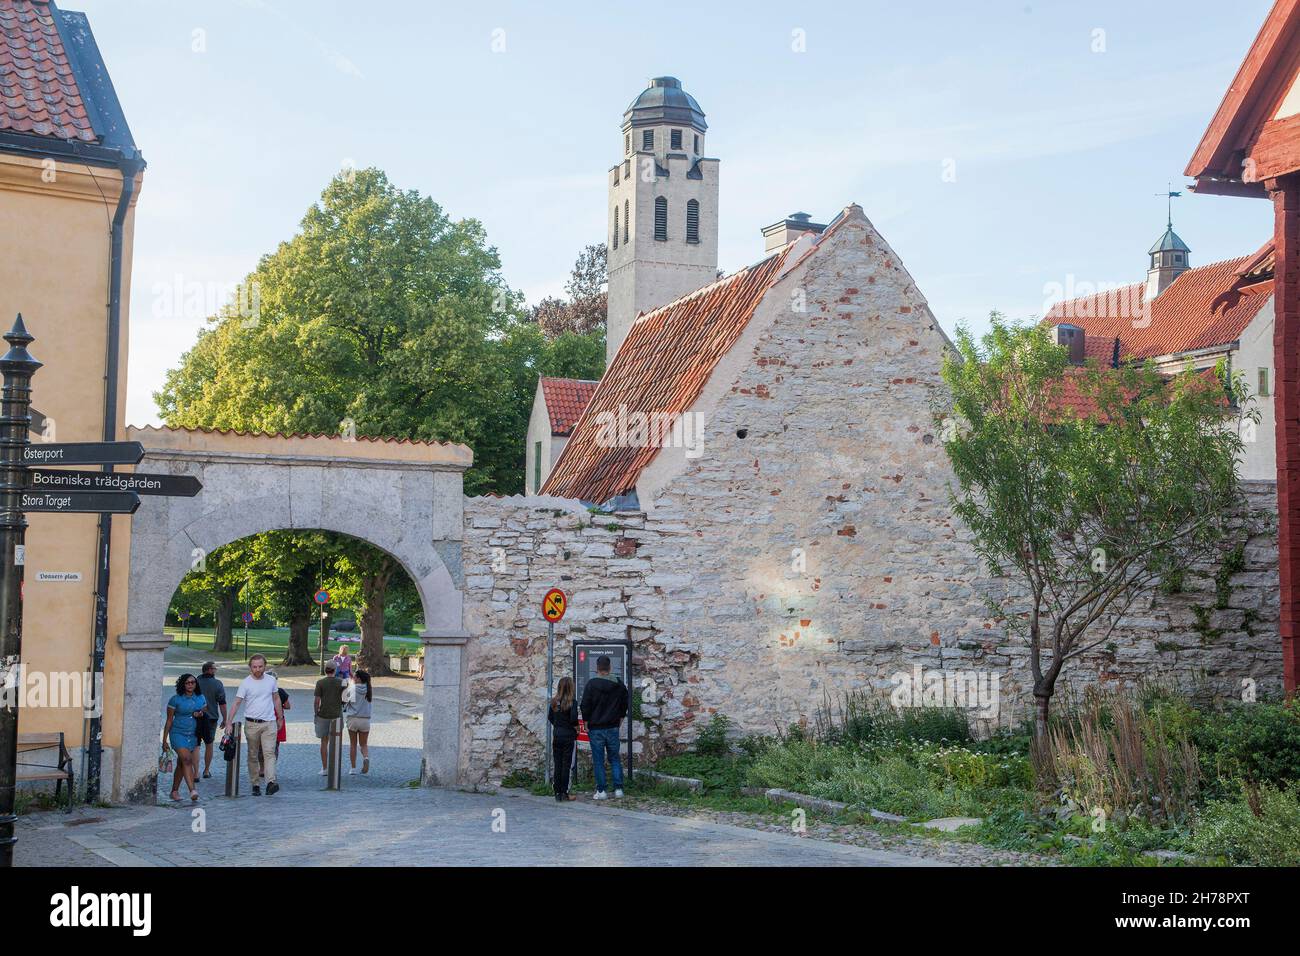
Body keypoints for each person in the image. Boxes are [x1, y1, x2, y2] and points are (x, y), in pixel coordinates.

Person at [224, 654, 284, 796]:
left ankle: (270, 782)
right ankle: (255, 783)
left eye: (260, 666)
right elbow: (237, 702)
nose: (257, 669)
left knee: (269, 753)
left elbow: (276, 698)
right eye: (255, 667)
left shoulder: (271, 681)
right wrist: (228, 721)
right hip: (252, 724)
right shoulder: (246, 683)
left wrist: (280, 717)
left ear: (265, 666)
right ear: (250, 667)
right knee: (253, 755)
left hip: (269, 722)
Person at [579, 656, 628, 800]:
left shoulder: (591, 684)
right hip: (612, 726)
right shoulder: (619, 684)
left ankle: (601, 791)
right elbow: (625, 703)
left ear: (597, 668)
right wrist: (620, 717)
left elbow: (585, 705)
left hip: (596, 728)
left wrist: (586, 722)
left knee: (598, 760)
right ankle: (619, 789)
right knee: (614, 758)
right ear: (610, 668)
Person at [163, 673, 207, 802]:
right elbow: (169, 720)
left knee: (182, 763)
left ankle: (174, 791)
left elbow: (205, 710)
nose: (190, 685)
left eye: (193, 682)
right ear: (182, 684)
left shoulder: (200, 698)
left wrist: (200, 713)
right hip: (178, 733)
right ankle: (192, 790)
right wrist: (164, 740)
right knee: (187, 759)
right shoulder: (175, 700)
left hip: (193, 734)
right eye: (187, 683)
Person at [194, 661, 227, 780]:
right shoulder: (217, 684)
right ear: (209, 670)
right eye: (214, 669)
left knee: (196, 745)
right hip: (211, 719)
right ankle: (206, 770)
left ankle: (195, 773)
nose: (215, 671)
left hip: (196, 717)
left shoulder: (195, 682)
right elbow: (222, 703)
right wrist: (225, 719)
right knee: (209, 744)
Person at [548, 676, 579, 802]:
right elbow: (573, 719)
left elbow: (550, 717)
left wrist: (558, 725)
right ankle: (564, 793)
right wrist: (576, 728)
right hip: (568, 736)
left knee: (558, 764)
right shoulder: (572, 702)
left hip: (557, 735)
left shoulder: (554, 702)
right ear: (570, 687)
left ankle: (557, 793)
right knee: (566, 765)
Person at [314, 662, 345, 775]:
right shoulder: (341, 682)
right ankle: (335, 768)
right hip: (337, 715)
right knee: (336, 743)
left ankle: (325, 768)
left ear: (326, 670)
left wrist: (316, 713)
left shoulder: (320, 683)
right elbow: (345, 699)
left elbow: (317, 701)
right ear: (335, 670)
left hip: (323, 715)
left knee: (324, 742)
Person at [345, 668, 372, 775]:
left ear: (359, 679)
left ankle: (353, 768)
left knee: (353, 744)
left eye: (355, 676)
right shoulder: (368, 689)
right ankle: (366, 757)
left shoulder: (352, 689)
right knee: (364, 744)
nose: (353, 678)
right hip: (365, 719)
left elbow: (345, 701)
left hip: (353, 719)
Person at [267, 670, 291, 758]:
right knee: (275, 744)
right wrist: (280, 706)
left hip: (265, 720)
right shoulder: (280, 691)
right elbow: (288, 706)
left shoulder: (262, 691)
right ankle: (272, 764)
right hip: (278, 720)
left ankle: (263, 766)